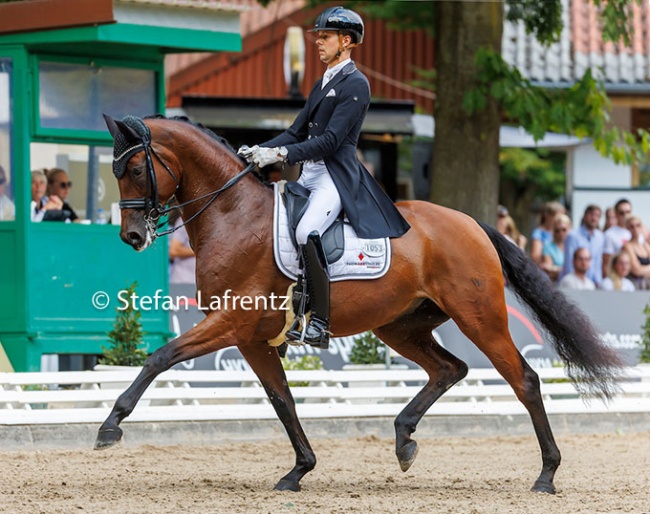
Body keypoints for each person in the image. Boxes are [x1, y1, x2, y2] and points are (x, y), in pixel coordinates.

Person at [237, 6, 410, 348]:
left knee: (306, 230)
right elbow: (296, 131)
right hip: (309, 174)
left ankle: (319, 321)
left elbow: (330, 141)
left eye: (325, 37)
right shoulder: (323, 82)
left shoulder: (356, 84)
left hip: (334, 176)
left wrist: (281, 155)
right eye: (318, 36)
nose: (318, 42)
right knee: (277, 228)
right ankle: (285, 312)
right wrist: (258, 150)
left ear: (346, 42)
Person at [560, 204, 605, 286]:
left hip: (591, 284)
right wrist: (572, 282)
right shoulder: (573, 235)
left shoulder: (600, 237)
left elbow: (598, 262)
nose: (594, 218)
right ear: (585, 215)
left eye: (597, 216)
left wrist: (598, 282)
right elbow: (569, 261)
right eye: (591, 214)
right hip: (574, 282)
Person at [602, 198, 632, 276]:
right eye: (622, 213)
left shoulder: (635, 231)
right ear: (616, 214)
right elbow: (606, 263)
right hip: (618, 277)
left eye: (628, 212)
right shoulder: (610, 234)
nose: (625, 215)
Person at [530, 201, 566, 266]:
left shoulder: (564, 232)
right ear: (546, 215)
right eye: (557, 217)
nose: (560, 220)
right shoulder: (539, 233)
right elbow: (535, 257)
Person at [621, 215, 650, 290]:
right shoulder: (627, 246)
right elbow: (636, 270)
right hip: (635, 284)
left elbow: (640, 269)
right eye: (632, 226)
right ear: (628, 228)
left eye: (638, 225)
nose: (635, 229)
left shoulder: (645, 246)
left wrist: (643, 270)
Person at [540, 214, 571, 283]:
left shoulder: (573, 245)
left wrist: (557, 269)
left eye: (564, 230)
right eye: (557, 230)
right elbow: (548, 268)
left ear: (569, 228)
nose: (560, 233)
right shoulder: (548, 247)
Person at [169, 217, 196, 284]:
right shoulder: (185, 219)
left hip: (204, 282)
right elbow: (173, 250)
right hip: (184, 281)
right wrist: (202, 250)